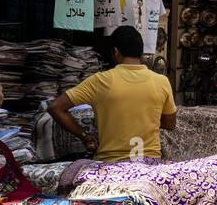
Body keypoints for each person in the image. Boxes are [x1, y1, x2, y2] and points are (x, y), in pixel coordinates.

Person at [48, 26, 175, 161]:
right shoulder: (162, 81)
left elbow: (55, 107)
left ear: (115, 52)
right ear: (141, 53)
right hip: (150, 165)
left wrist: (84, 136)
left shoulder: (100, 80)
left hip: (110, 165)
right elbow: (170, 124)